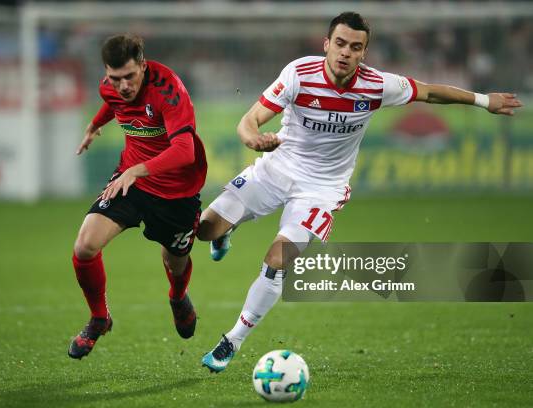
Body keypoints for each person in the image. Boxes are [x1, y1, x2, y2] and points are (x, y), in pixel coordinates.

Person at [197, 12, 523, 372]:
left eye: (355, 47)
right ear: (326, 44)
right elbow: (250, 119)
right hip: (275, 170)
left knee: (278, 260)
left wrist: (483, 100)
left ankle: (233, 340)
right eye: (339, 44)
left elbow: (430, 92)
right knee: (205, 230)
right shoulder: (299, 74)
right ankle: (227, 230)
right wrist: (252, 139)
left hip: (322, 189)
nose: (345, 53)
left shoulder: (377, 85)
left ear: (364, 52)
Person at [68, 34, 207, 359]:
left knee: (174, 262)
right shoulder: (111, 87)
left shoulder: (168, 90)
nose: (123, 86)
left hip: (177, 191)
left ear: (143, 66)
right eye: (115, 78)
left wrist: (138, 170)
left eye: (130, 76)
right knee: (85, 245)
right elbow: (112, 102)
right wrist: (93, 124)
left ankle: (177, 295)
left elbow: (185, 151)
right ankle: (99, 318)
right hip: (132, 181)